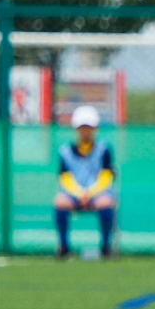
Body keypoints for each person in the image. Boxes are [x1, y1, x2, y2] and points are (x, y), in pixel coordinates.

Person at [53, 105, 118, 259]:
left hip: (97, 193)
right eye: (82, 127)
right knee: (60, 202)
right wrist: (79, 193)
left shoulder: (104, 149)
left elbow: (106, 177)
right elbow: (65, 177)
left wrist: (90, 193)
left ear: (95, 128)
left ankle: (105, 247)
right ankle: (64, 247)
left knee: (106, 203)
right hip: (74, 193)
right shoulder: (65, 151)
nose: (85, 131)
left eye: (89, 127)